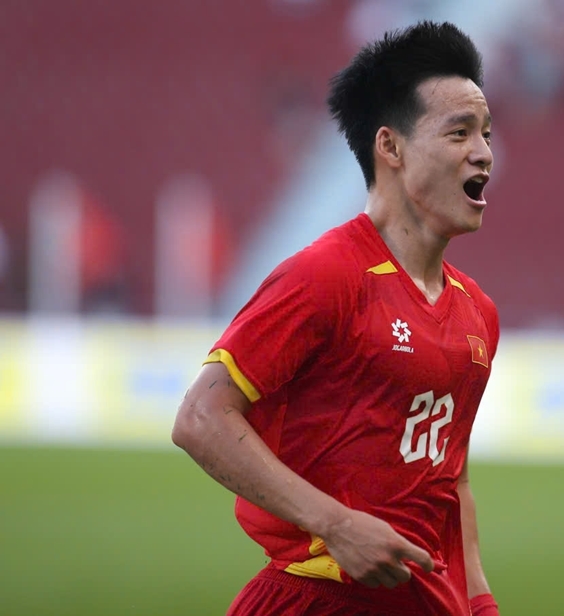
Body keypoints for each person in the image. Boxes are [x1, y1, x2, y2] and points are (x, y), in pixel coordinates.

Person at [171, 20, 500, 616]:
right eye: (460, 132)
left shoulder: (479, 312)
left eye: (486, 133)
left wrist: (479, 605)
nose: (483, 152)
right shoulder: (325, 276)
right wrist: (336, 525)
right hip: (313, 599)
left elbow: (452, 480)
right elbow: (200, 417)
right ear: (390, 148)